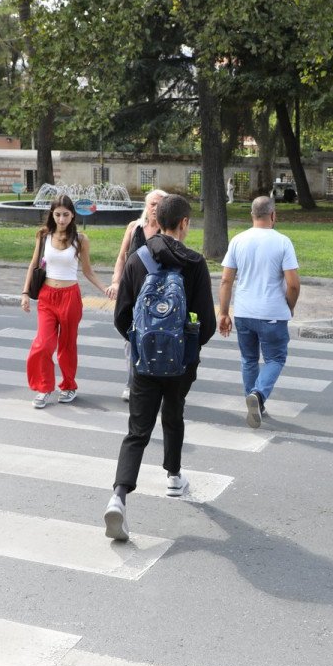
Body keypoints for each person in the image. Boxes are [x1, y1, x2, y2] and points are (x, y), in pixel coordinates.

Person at [104, 195, 216, 541]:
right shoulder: (195, 263)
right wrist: (188, 350)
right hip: (180, 362)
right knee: (174, 413)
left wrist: (142, 344)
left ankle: (119, 496)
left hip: (144, 360)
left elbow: (121, 317)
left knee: (137, 430)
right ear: (184, 223)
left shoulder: (138, 258)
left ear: (156, 219)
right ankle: (173, 476)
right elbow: (207, 322)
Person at [217, 196, 300, 428]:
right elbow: (293, 284)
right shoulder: (283, 242)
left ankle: (254, 403)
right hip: (272, 313)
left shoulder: (238, 240)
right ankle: (258, 394)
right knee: (275, 358)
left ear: (252, 215)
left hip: (244, 312)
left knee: (249, 359)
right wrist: (290, 305)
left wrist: (223, 313)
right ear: (273, 215)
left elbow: (226, 280)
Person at [20, 194, 108, 408]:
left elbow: (87, 270)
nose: (61, 219)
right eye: (58, 214)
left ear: (72, 215)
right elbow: (33, 265)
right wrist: (24, 293)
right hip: (47, 296)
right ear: (52, 214)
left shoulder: (81, 239)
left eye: (66, 215)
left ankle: (69, 386)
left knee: (67, 346)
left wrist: (105, 288)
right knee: (43, 345)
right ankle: (44, 388)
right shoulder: (43, 236)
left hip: (70, 297)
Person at [108, 189, 167, 401]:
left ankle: (156, 383)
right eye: (152, 204)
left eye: (160, 204)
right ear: (146, 206)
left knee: (157, 338)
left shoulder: (168, 230)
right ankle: (132, 383)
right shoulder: (134, 228)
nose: (155, 208)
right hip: (132, 293)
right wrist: (116, 282)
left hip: (158, 297)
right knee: (130, 338)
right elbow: (121, 258)